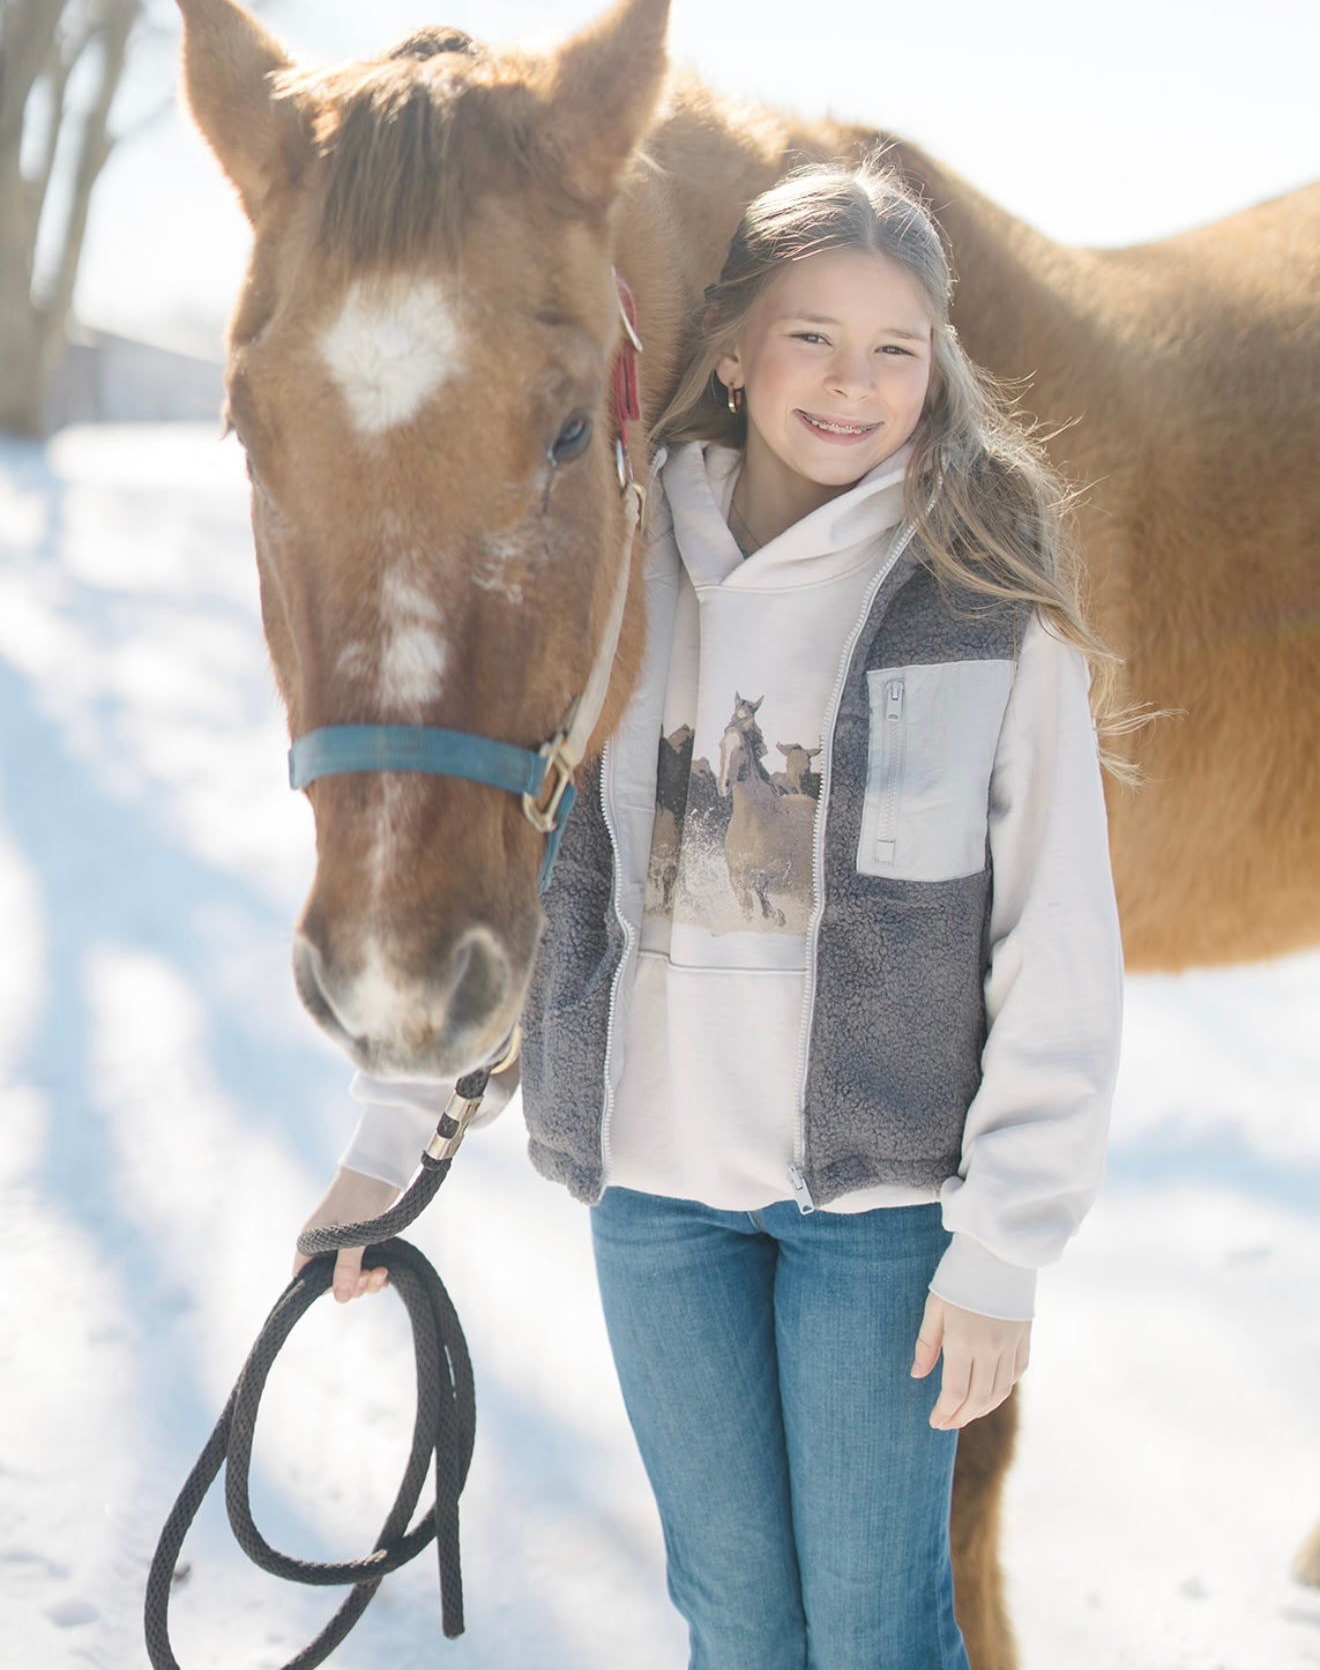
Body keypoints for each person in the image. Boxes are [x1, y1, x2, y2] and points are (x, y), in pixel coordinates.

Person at [297, 161, 1126, 1670]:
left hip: (877, 1222)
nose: (854, 384)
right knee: (737, 1626)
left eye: (896, 349)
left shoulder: (983, 605)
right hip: (658, 1202)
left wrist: (1004, 1246)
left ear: (937, 371)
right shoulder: (622, 572)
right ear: (733, 348)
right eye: (813, 337)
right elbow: (521, 860)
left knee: (878, 1633)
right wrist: (385, 1146)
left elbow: (1057, 950)